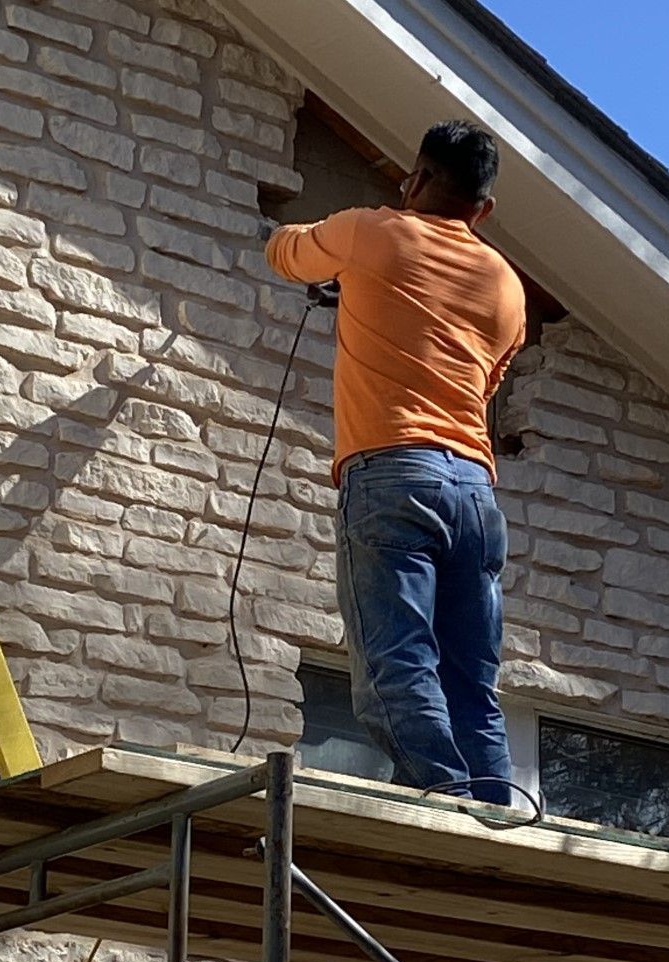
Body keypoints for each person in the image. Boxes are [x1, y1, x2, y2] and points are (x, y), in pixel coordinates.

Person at [265, 121, 525, 805]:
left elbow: (284, 252)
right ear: (484, 207)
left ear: (415, 179)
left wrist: (353, 275)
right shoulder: (508, 287)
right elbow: (482, 382)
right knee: (471, 678)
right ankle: (495, 813)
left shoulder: (373, 232)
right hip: (473, 489)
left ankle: (448, 803)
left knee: (395, 668)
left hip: (393, 475)